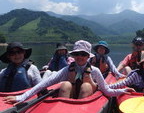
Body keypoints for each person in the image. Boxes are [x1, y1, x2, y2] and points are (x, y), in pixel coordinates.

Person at [3, 40, 134, 104]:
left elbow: (107, 90)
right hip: (69, 100)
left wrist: (122, 91)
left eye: (83, 54)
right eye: (77, 54)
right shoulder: (67, 69)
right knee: (65, 84)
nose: (80, 57)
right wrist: (21, 97)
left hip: (86, 99)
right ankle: (61, 112)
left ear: (88, 56)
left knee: (86, 85)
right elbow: (43, 84)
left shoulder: (94, 71)